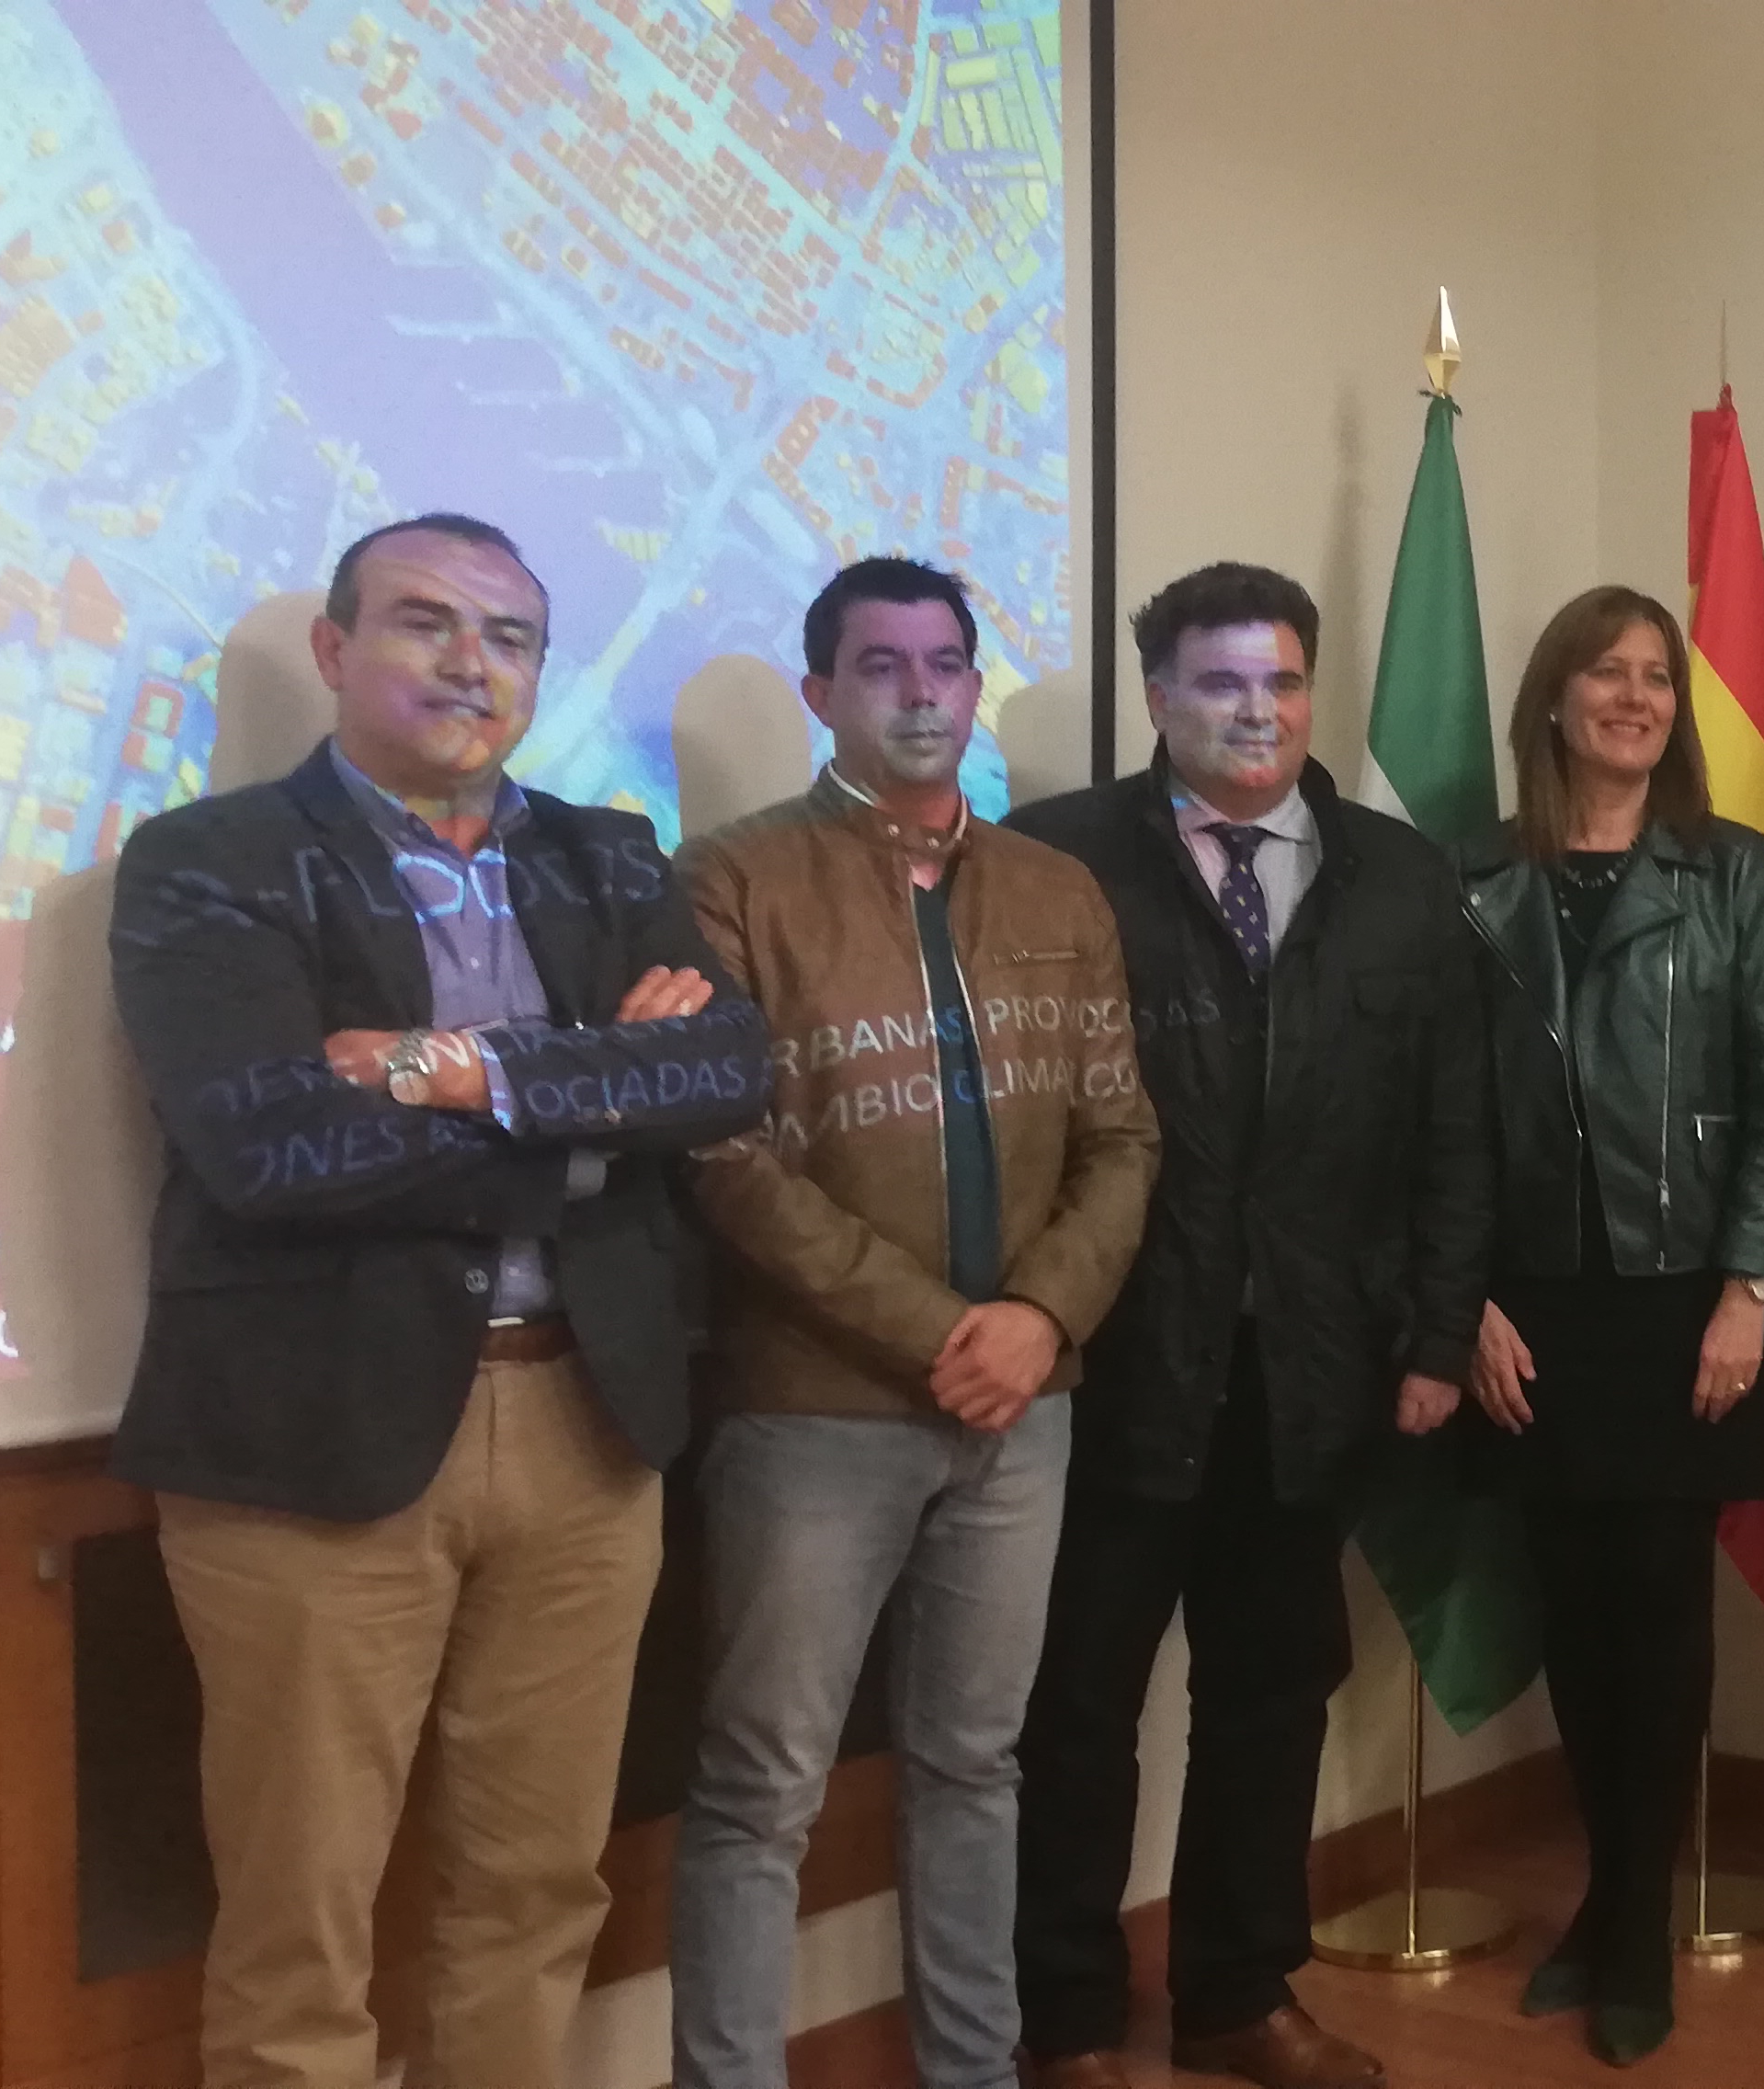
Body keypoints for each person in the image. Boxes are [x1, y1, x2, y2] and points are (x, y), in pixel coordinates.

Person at [108, 512, 769, 2089]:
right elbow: (271, 1145)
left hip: (585, 1425)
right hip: (312, 1442)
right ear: (336, 650)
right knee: (302, 1921)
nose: (474, 663)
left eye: (511, 637)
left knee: (536, 1887)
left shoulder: (609, 855)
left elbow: (727, 1071)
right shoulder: (210, 861)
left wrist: (451, 1070)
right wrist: (593, 1105)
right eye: (426, 622)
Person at [666, 557, 1158, 2089]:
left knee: (976, 1768)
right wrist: (948, 1328)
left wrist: (1039, 1321)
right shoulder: (732, 882)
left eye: (945, 664)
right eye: (881, 667)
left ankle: (973, 2070)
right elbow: (726, 1159)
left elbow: (1122, 1139)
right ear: (823, 692)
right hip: (812, 1412)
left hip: (1024, 1411)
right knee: (762, 1790)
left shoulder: (1057, 891)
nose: (921, 694)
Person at [1001, 563, 1495, 2089]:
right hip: (1114, 1364)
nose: (1257, 711)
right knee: (1078, 1707)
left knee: (1270, 1701)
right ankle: (1067, 2018)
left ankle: (1237, 1994)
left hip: (1314, 1373)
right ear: (1158, 698)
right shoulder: (1056, 861)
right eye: (1220, 683)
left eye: (1282, 682)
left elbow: (1454, 1129)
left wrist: (1437, 1337)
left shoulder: (1399, 878)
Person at [1452, 584, 1764, 2066]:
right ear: (1554, 697)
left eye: (1656, 675)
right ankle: (1607, 1900)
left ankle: (1634, 1922)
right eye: (1606, 672)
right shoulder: (1478, 878)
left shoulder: (1729, 871)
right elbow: (1441, 1111)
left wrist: (1750, 1289)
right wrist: (1463, 1297)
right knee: (1571, 1613)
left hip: (1688, 1303)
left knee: (1659, 1615)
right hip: (1528, 1306)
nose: (1636, 697)